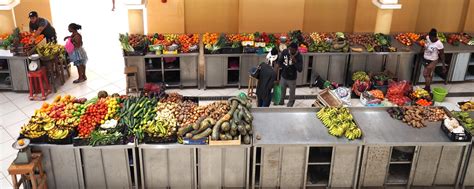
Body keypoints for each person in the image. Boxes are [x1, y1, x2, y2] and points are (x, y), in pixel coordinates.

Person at [277, 42, 303, 107]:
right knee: (282, 90)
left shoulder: (299, 56)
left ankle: (290, 104)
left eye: (292, 50)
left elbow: (300, 69)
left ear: (296, 50)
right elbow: (280, 61)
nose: (290, 51)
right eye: (290, 49)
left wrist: (295, 61)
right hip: (283, 76)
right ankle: (281, 101)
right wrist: (283, 67)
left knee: (291, 93)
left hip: (292, 78)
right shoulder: (285, 52)